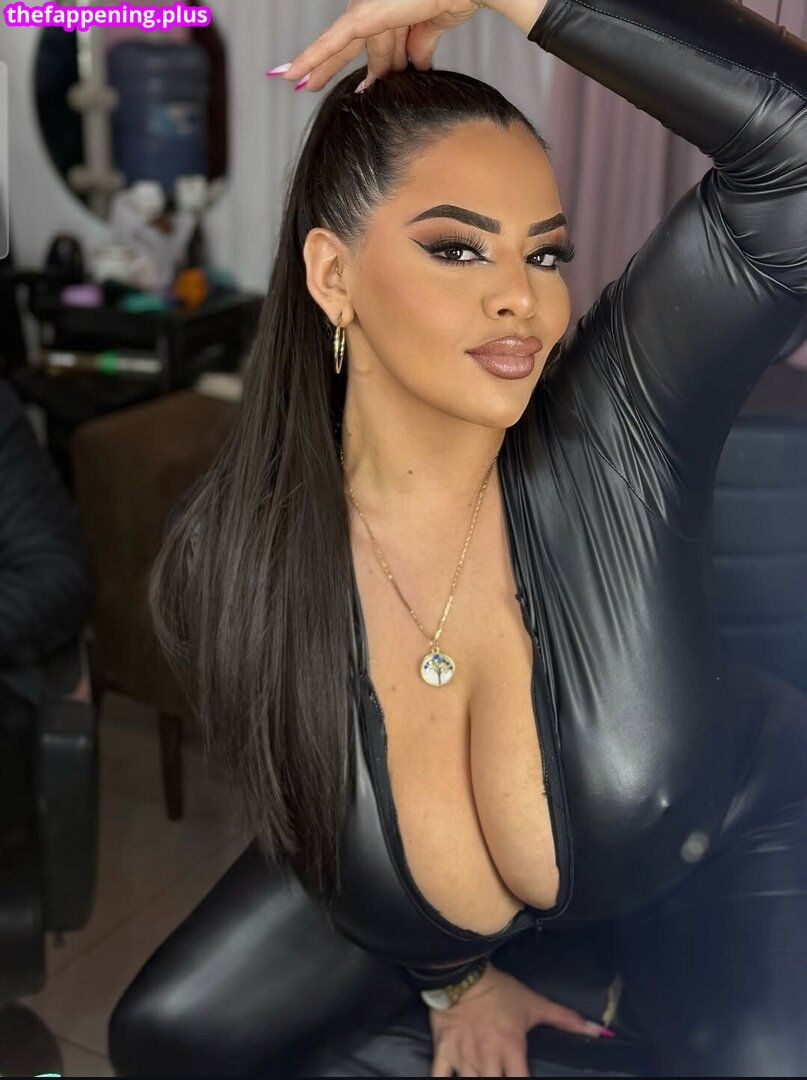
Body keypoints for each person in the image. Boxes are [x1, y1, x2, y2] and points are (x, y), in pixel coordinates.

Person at [109, 0, 807, 1076]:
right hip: (484, 908)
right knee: (165, 1036)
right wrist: (456, 982)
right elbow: (320, 831)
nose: (521, 300)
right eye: (456, 249)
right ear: (333, 277)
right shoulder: (231, 560)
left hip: (730, 828)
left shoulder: (616, 424)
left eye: (546, 253)